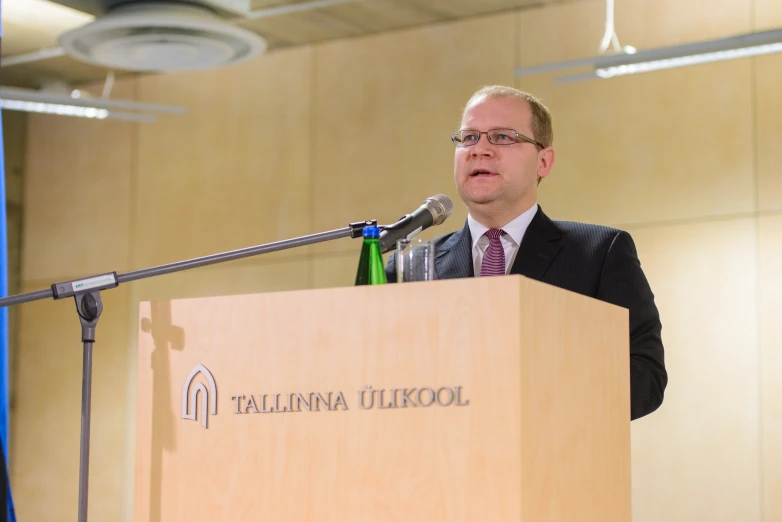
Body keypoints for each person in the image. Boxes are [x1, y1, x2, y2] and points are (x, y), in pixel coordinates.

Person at [385, 85, 666, 421]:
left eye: (502, 137)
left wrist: (545, 402)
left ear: (543, 161)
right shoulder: (411, 267)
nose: (480, 150)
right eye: (469, 137)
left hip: (555, 460)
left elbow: (645, 373)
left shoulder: (599, 253)